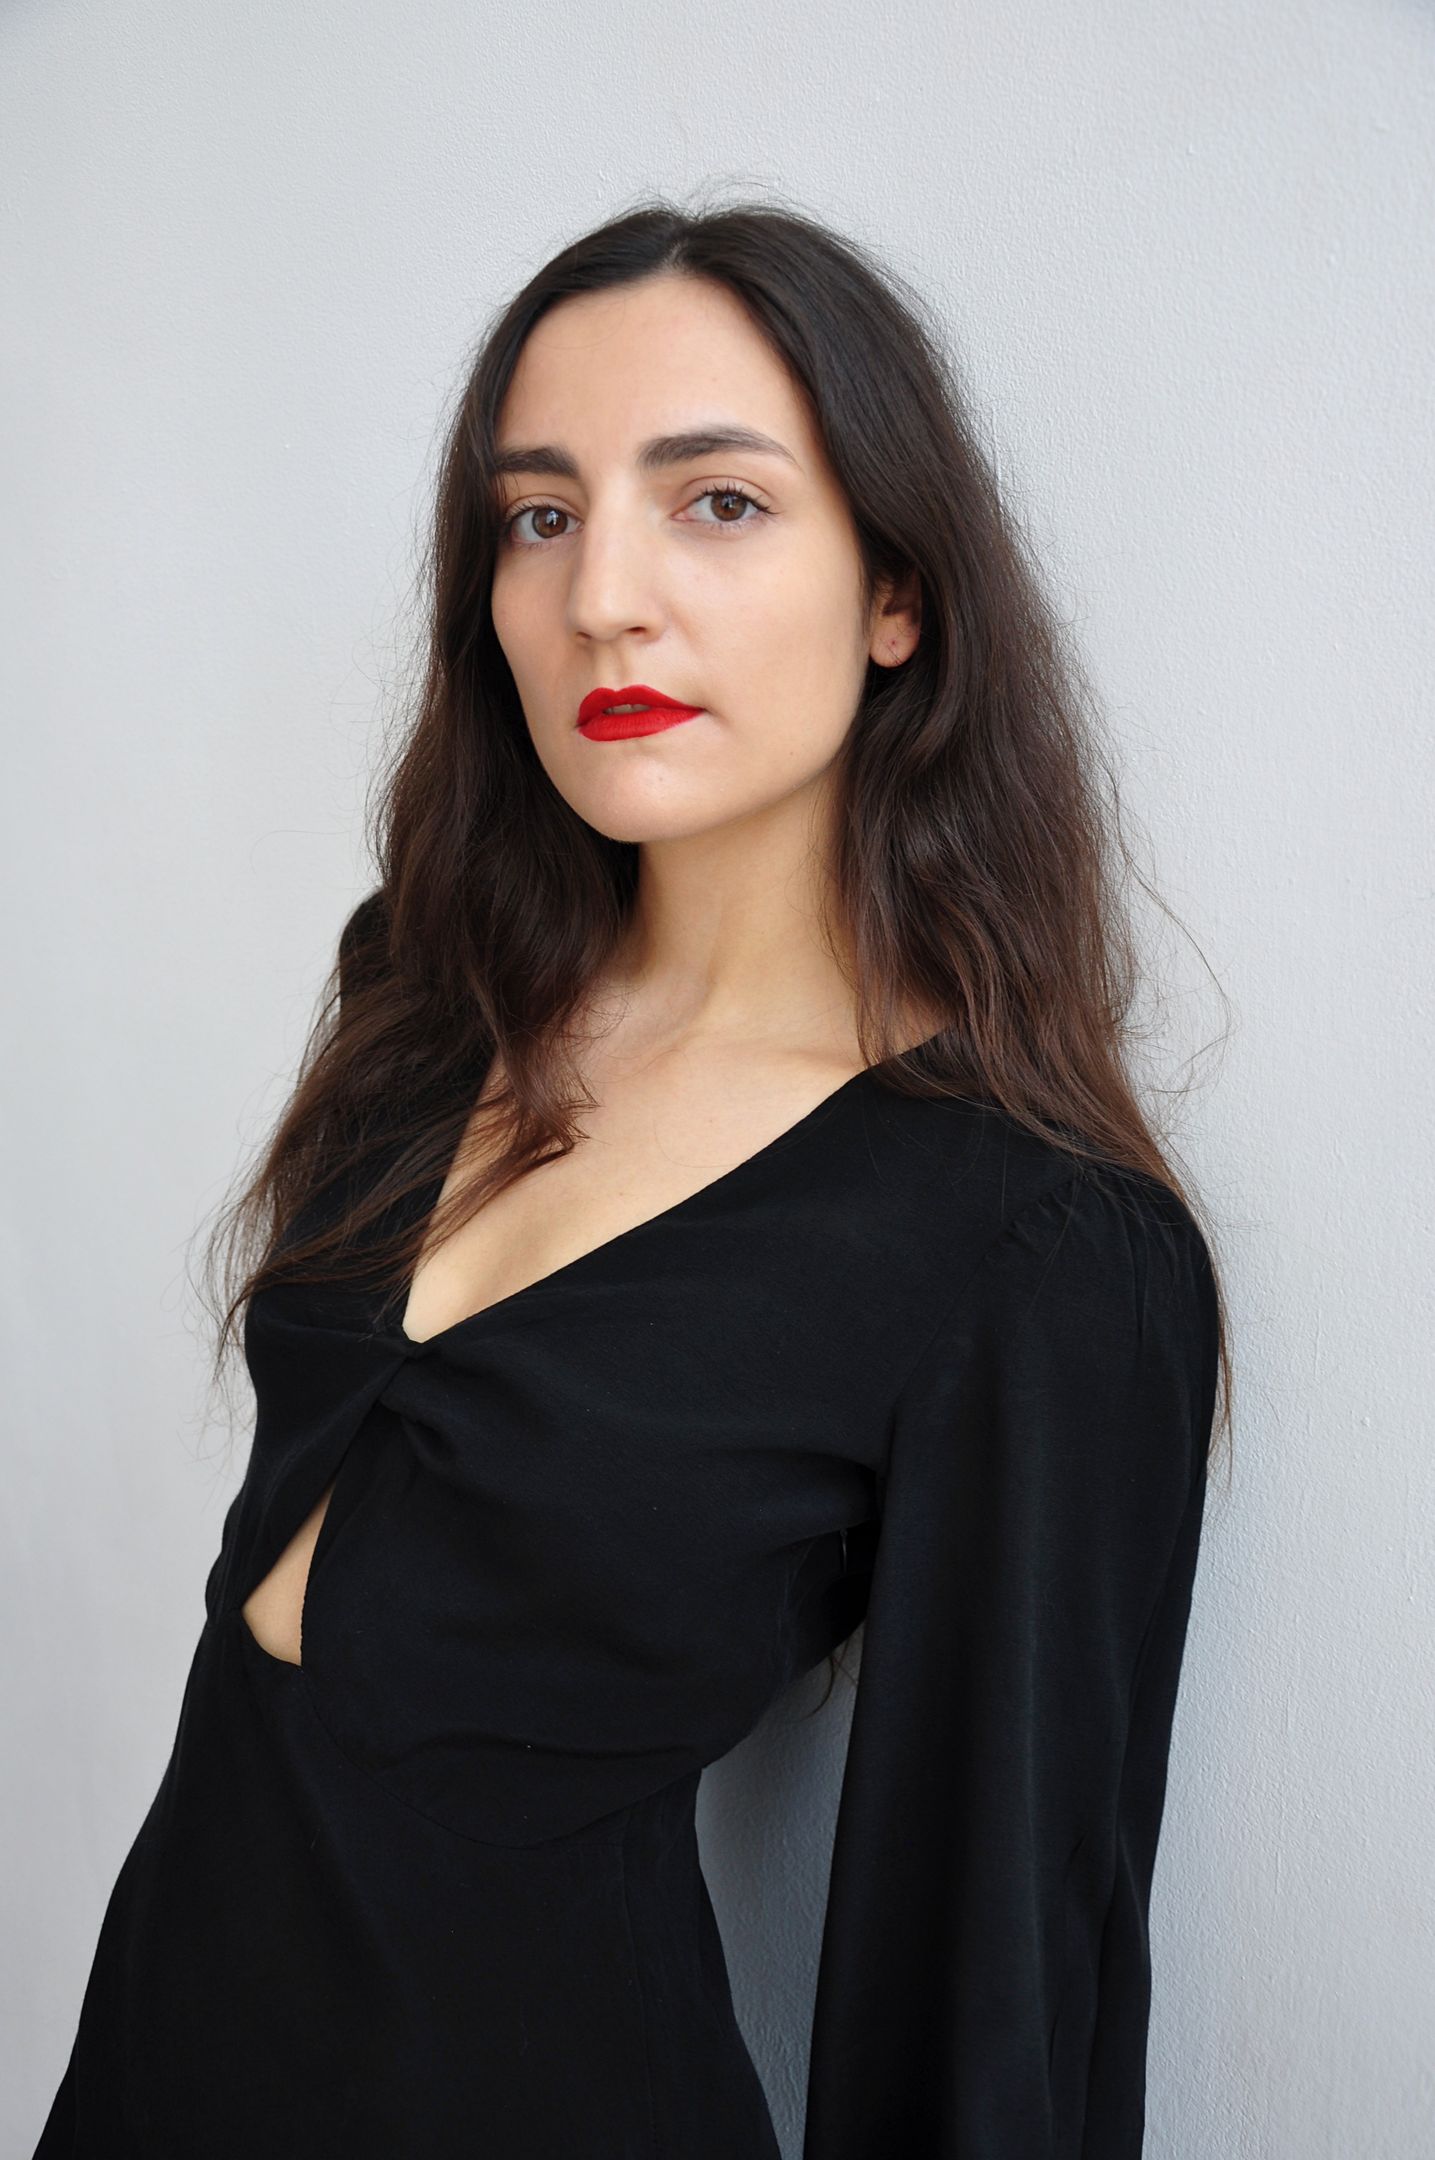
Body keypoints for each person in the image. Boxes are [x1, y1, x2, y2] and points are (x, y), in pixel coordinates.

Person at [34, 197, 1231, 2159]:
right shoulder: (425, 1001)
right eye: (540, 514)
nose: (604, 597)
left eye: (719, 504)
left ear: (897, 593)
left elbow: (994, 1995)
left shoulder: (1032, 1243)